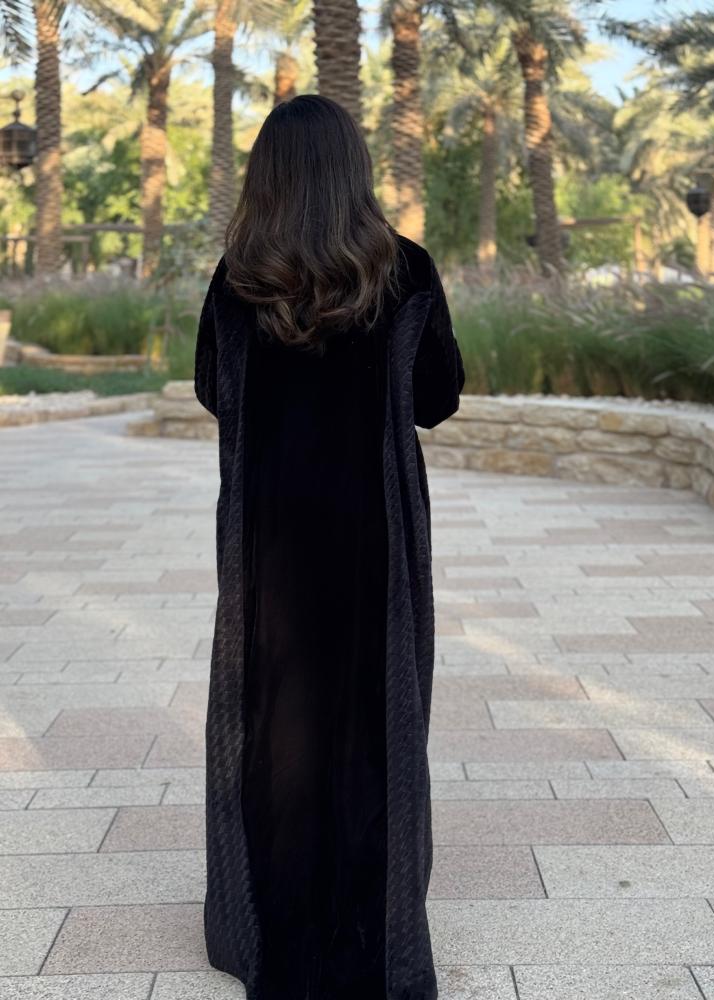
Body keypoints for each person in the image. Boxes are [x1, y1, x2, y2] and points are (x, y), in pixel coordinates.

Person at [194, 93, 464, 1000]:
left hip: (270, 539)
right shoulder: (404, 269)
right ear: (355, 169)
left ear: (266, 175)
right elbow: (438, 398)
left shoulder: (238, 276)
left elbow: (213, 392)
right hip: (374, 537)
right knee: (376, 715)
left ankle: (269, 925)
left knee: (275, 718)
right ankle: (372, 933)